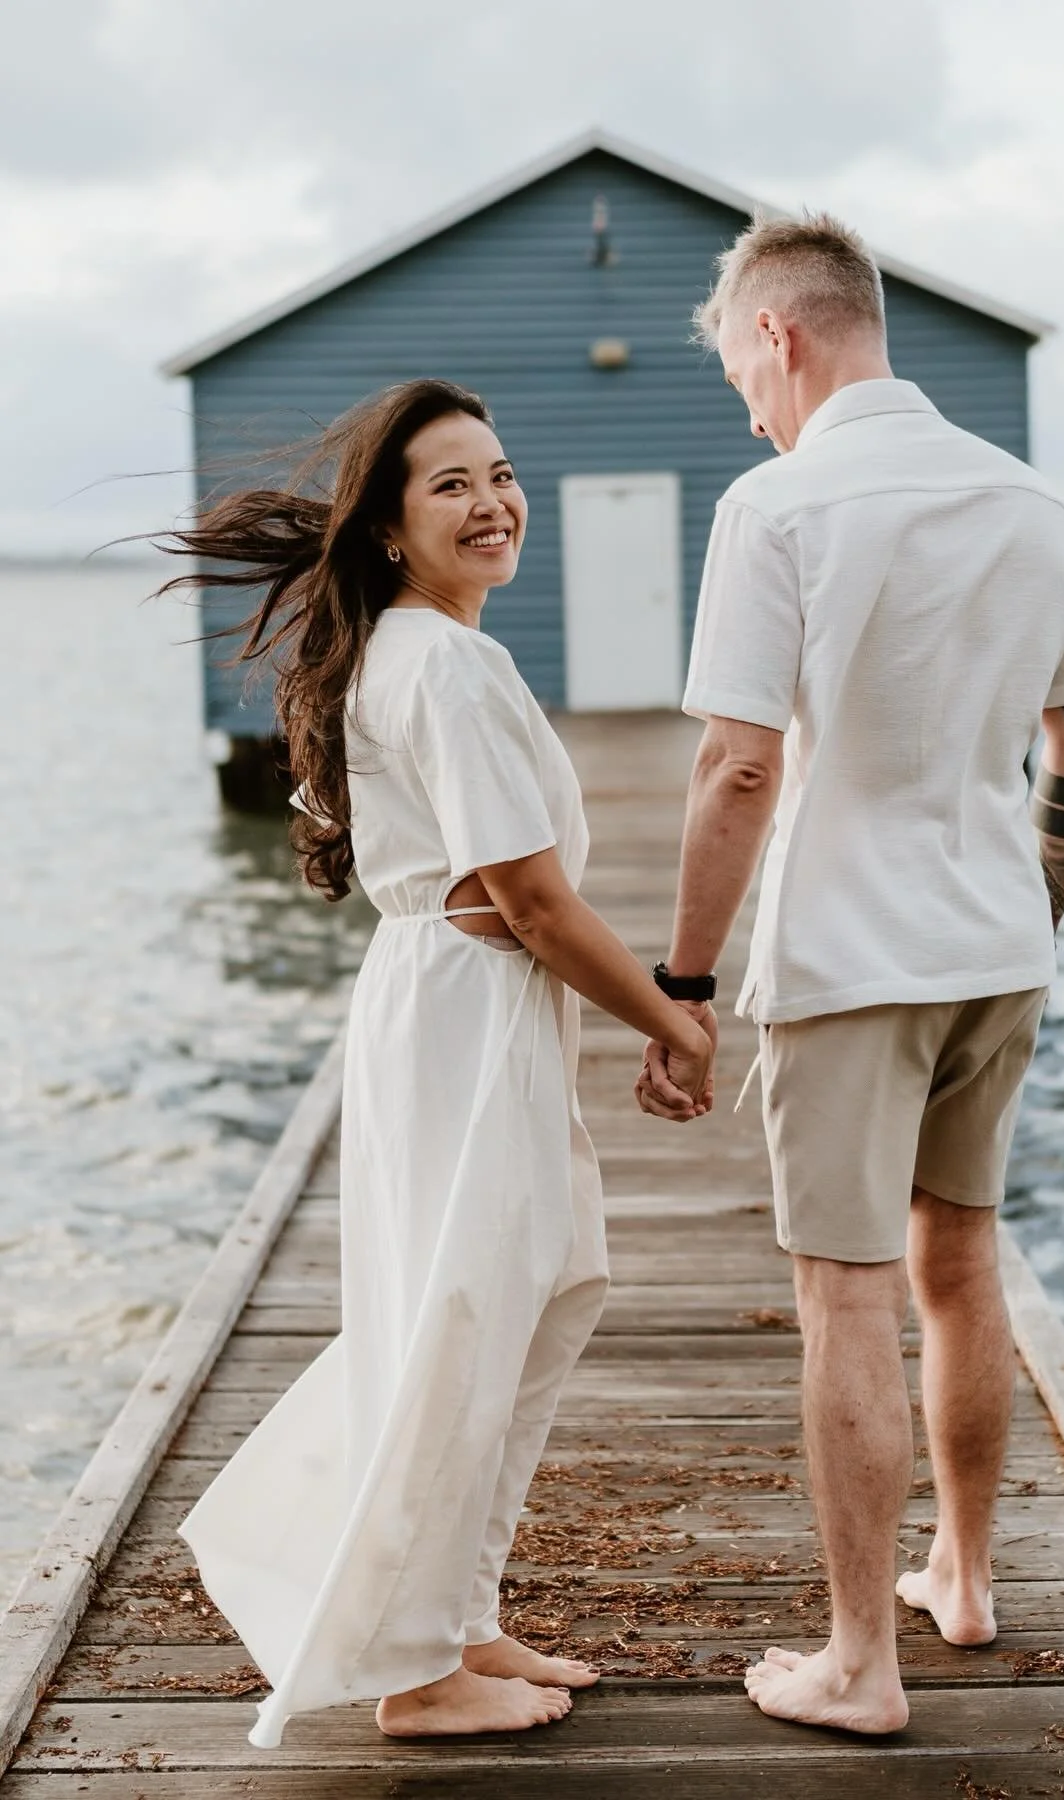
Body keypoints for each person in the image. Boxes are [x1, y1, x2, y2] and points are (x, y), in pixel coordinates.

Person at [157, 379, 713, 1747]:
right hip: (468, 1011)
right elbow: (530, 901)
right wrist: (674, 1019)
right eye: (451, 483)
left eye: (500, 474)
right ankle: (416, 1673)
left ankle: (459, 1615)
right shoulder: (444, 665)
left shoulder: (407, 651)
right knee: (465, 1321)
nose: (492, 502)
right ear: (389, 528)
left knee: (520, 1299)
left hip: (447, 1004)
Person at [636, 217, 1064, 1734]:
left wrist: (684, 981)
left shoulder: (778, 505)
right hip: (996, 948)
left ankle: (859, 1663)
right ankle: (961, 1580)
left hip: (850, 959)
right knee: (961, 1267)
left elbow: (736, 768)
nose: (747, 411)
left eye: (741, 374)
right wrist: (1034, 900)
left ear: (778, 335)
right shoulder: (1034, 504)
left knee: (844, 1295)